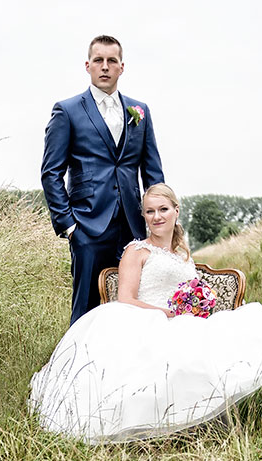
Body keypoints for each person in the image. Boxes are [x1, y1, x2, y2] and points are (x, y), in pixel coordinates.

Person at [29, 184, 262, 443]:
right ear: (143, 216)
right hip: (148, 318)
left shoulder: (182, 254)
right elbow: (127, 299)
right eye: (149, 212)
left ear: (176, 211)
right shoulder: (136, 251)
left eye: (163, 209)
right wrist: (165, 313)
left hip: (187, 320)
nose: (156, 217)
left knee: (254, 319)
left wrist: (195, 309)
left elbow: (191, 294)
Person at [42, 35, 166, 326]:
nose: (105, 66)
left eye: (112, 61)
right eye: (99, 60)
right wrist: (69, 226)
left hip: (134, 229)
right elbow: (51, 172)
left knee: (137, 307)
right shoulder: (67, 110)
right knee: (86, 310)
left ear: (122, 67)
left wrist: (158, 222)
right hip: (88, 226)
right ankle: (77, 369)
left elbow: (153, 173)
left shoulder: (140, 111)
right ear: (88, 65)